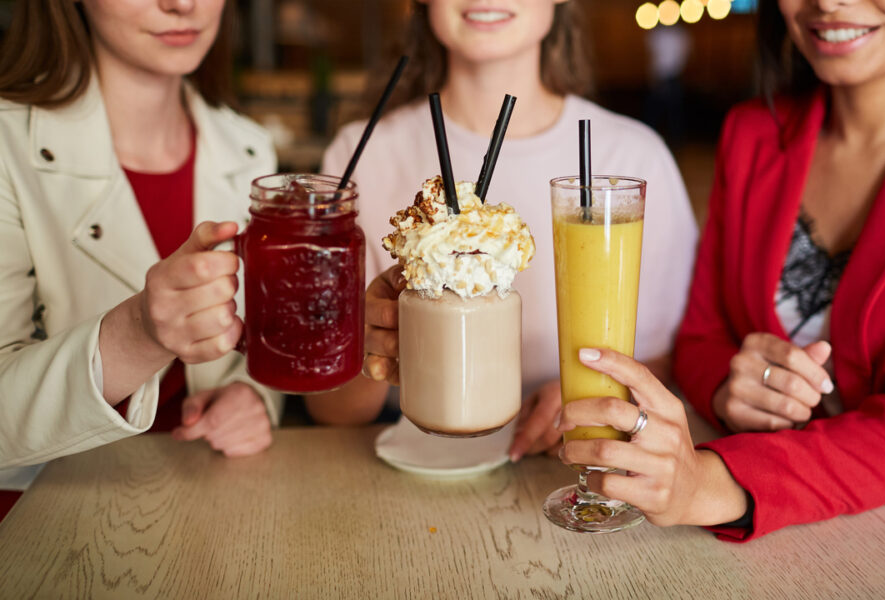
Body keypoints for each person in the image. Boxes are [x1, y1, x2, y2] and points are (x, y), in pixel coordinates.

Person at [551, 0, 885, 544]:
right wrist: (729, 388)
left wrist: (712, 484)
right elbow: (702, 336)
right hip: (779, 539)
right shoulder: (752, 132)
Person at [307, 0, 698, 461]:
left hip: (571, 465)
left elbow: (672, 359)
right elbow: (330, 410)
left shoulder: (633, 160)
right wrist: (367, 350)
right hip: (405, 463)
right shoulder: (359, 155)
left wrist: (588, 400)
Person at [0, 0, 282, 511]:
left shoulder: (250, 150)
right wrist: (138, 333)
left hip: (214, 506)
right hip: (43, 524)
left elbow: (263, 340)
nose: (182, 4)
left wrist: (253, 395)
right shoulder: (6, 144)